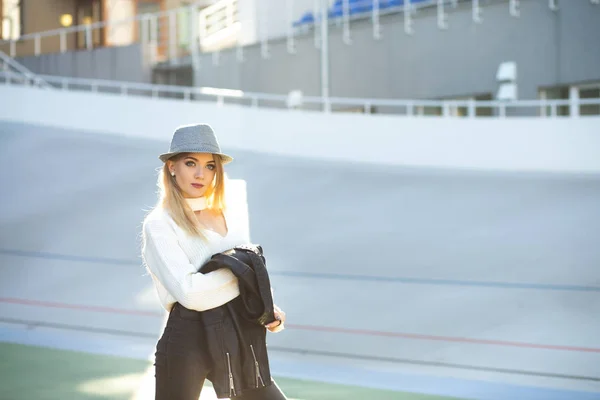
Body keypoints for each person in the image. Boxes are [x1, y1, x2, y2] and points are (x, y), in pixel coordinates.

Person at [141, 124, 288, 400]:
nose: (201, 174)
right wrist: (247, 277)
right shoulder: (160, 224)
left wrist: (265, 304)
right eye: (190, 163)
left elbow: (246, 269)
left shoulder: (230, 212)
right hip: (187, 336)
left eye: (210, 166)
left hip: (236, 329)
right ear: (172, 167)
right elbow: (191, 293)